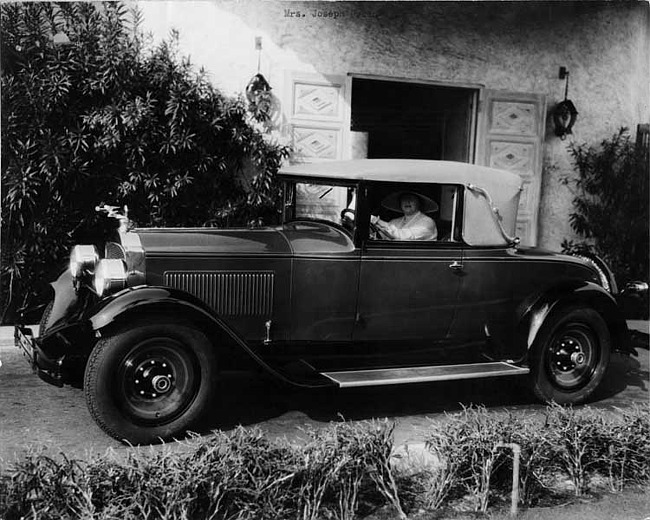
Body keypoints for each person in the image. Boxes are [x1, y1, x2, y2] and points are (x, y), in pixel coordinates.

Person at [371, 191, 438, 240]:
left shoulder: (427, 222)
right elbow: (383, 236)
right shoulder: (394, 222)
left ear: (419, 203)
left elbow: (404, 236)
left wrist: (377, 221)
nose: (407, 202)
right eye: (404, 199)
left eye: (411, 199)